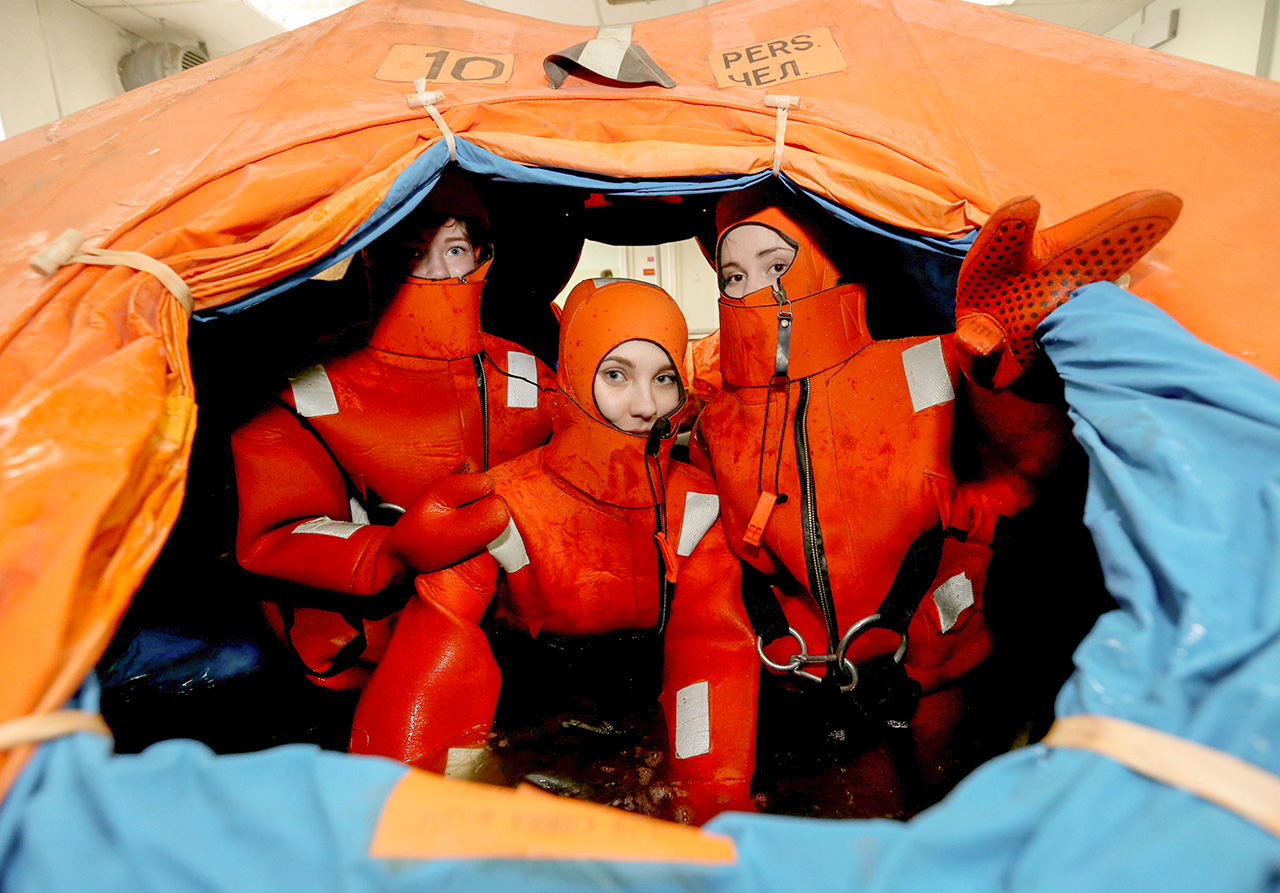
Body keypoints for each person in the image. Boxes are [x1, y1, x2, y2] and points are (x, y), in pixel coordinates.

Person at [690, 185, 1180, 813]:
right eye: (734, 274)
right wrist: (706, 794)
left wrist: (994, 363)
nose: (755, 288)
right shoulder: (719, 424)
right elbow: (709, 612)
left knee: (957, 825)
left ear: (828, 265)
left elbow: (1027, 474)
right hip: (805, 694)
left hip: (943, 674)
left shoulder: (925, 363)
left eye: (777, 265)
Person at [349, 278, 759, 825]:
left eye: (663, 378)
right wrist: (416, 811)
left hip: (648, 728)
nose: (644, 405)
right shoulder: (503, 503)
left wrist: (711, 792)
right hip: (524, 732)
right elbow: (437, 662)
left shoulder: (698, 504)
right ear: (572, 376)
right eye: (616, 375)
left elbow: (710, 652)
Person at [229, 170, 556, 692]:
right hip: (365, 665)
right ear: (371, 259)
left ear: (481, 256)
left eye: (453, 249)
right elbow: (273, 535)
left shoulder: (521, 370)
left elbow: (579, 465)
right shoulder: (312, 389)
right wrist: (392, 551)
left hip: (511, 650)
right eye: (411, 250)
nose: (432, 271)